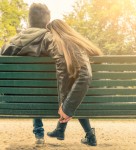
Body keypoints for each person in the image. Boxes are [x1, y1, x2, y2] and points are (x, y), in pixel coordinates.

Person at [0, 3, 53, 145]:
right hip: (50, 99)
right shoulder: (51, 40)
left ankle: (39, 133)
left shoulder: (11, 42)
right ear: (47, 21)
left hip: (14, 100)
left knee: (33, 90)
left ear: (29, 20)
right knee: (38, 89)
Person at [46, 19, 103, 146]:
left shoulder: (66, 45)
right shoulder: (79, 43)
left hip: (84, 92)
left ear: (55, 32)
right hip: (91, 94)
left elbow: (84, 76)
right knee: (74, 90)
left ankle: (62, 129)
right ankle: (85, 134)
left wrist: (65, 106)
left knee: (73, 91)